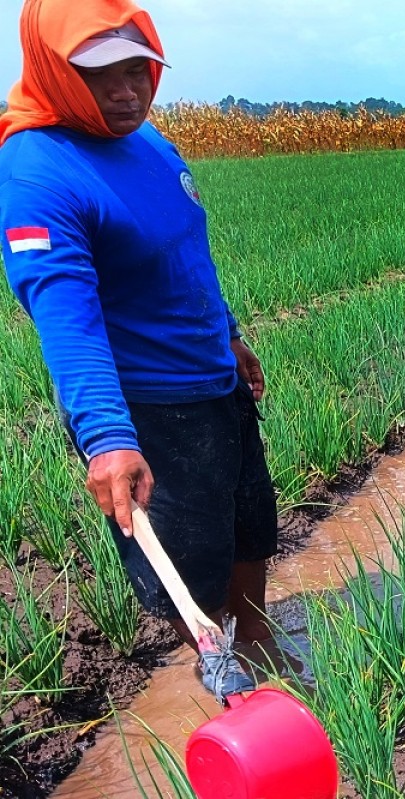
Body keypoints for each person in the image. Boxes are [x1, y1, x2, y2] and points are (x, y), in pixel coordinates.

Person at [0, 0, 279, 690]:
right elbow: (67, 318)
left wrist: (231, 334)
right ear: (56, 71)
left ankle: (263, 639)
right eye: (102, 76)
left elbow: (187, 254)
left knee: (251, 520)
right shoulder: (37, 172)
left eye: (139, 70)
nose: (127, 91)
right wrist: (107, 438)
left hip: (214, 377)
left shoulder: (147, 139)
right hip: (151, 405)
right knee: (193, 559)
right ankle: (221, 676)